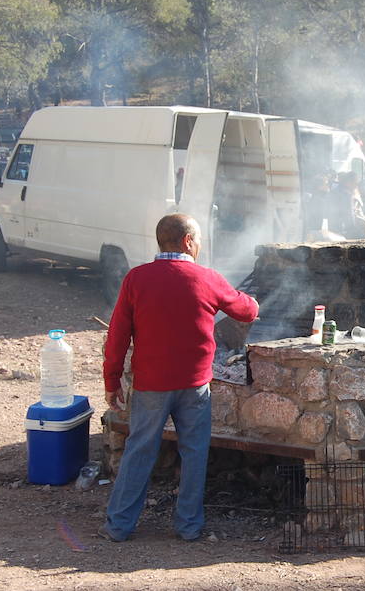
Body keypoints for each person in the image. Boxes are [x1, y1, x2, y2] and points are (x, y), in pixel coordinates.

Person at [100, 214, 259, 542]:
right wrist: (254, 302)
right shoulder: (206, 278)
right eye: (198, 240)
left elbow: (117, 336)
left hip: (150, 384)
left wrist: (112, 380)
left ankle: (119, 526)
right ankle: (188, 526)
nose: (200, 246)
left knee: (139, 450)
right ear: (188, 241)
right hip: (194, 385)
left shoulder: (136, 279)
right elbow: (245, 311)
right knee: (194, 452)